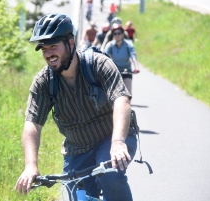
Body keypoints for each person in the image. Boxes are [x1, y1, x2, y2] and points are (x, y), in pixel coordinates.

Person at [15, 13, 137, 201]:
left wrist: (118, 142)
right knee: (76, 194)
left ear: (70, 44)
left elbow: (121, 100)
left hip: (111, 137)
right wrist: (31, 165)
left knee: (110, 175)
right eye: (44, 49)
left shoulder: (98, 65)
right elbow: (32, 124)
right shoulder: (43, 82)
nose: (48, 54)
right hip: (77, 148)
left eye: (53, 46)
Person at [104, 24, 140, 99]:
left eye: (119, 33)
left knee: (128, 94)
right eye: (115, 33)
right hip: (115, 71)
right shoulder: (110, 45)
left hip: (127, 70)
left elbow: (133, 56)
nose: (117, 35)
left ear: (123, 34)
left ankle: (128, 108)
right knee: (113, 95)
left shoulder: (128, 44)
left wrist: (136, 67)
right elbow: (105, 57)